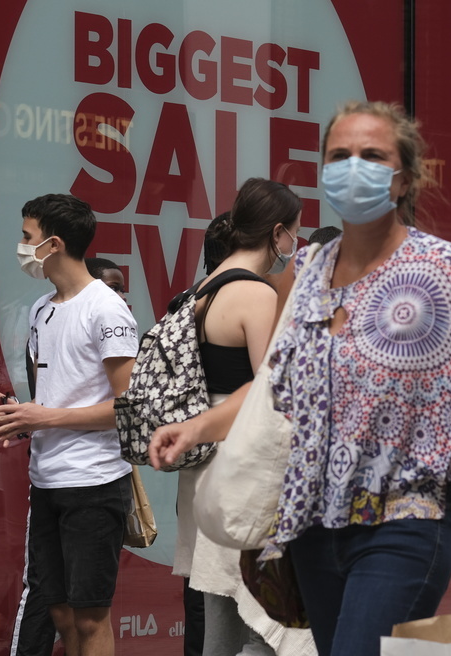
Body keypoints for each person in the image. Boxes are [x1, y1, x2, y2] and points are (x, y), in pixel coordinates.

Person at [149, 100, 451, 656]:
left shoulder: (441, 270)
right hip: (313, 526)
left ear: (403, 178)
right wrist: (198, 428)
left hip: (405, 518)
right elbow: (276, 387)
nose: (353, 166)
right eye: (340, 155)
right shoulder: (307, 271)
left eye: (372, 155)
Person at [0, 194, 139, 656]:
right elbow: (56, 397)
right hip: (46, 481)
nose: (21, 246)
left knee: (90, 618)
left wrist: (42, 415)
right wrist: (21, 415)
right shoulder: (39, 310)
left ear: (53, 244)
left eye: (27, 237)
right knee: (61, 614)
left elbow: (126, 407)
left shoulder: (106, 308)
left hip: (94, 481)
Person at [170, 178, 312, 656]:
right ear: (276, 233)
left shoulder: (203, 288)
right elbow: (270, 391)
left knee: (219, 612)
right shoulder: (256, 293)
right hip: (243, 463)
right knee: (261, 619)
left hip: (204, 461)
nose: (294, 244)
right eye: (294, 232)